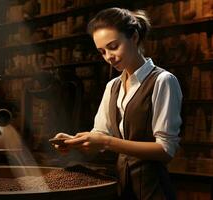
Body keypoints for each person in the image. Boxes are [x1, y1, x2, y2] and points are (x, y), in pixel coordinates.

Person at [53, 7, 182, 200]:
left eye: (113, 46)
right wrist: (75, 141)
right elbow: (100, 137)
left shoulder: (163, 81)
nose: (108, 57)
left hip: (154, 191)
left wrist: (105, 141)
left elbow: (165, 150)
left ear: (134, 37)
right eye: (102, 51)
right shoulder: (112, 86)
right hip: (122, 189)